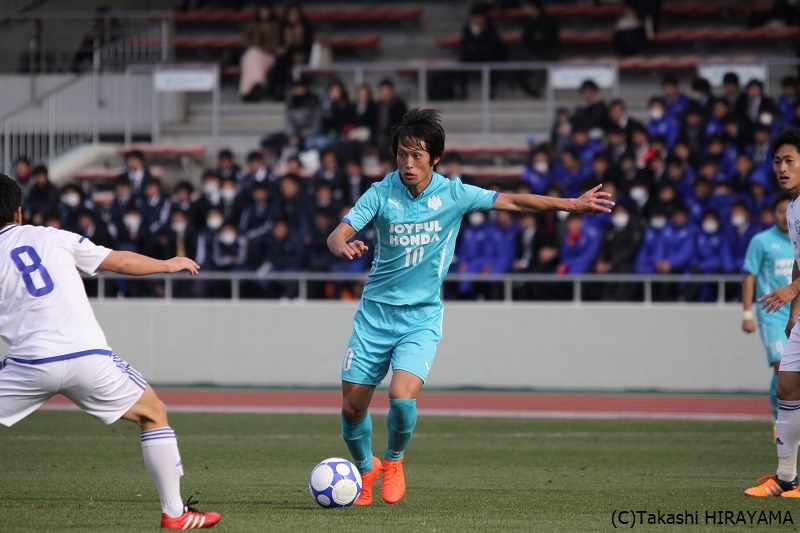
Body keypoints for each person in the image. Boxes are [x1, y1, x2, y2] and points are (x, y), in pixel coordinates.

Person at [326, 109, 613, 506]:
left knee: (401, 399)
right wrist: (342, 245)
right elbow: (337, 234)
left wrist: (573, 205)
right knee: (352, 408)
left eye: (417, 155)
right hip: (374, 315)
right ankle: (364, 469)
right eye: (402, 154)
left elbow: (513, 200)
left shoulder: (454, 194)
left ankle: (392, 461)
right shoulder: (380, 192)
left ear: (435, 158)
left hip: (420, 318)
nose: (408, 163)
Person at [0, 175, 220, 528]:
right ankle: (175, 514)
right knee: (153, 413)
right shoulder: (53, 237)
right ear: (19, 212)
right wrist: (166, 264)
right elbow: (118, 261)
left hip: (29, 362)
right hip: (87, 356)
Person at [746, 127, 800, 498]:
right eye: (777, 161)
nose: (782, 168)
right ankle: (786, 477)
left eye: (789, 161)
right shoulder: (793, 207)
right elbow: (799, 261)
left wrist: (791, 291)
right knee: (787, 385)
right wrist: (795, 312)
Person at [741, 193, 793, 436]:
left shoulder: (798, 240)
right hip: (771, 315)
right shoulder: (761, 241)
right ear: (773, 214)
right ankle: (778, 421)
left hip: (796, 314)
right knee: (781, 367)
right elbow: (749, 277)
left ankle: (791, 420)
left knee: (794, 374)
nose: (785, 216)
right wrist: (747, 313)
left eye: (788, 211)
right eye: (780, 211)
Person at [238, 2, 282, 102]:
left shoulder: (275, 26)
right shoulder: (252, 25)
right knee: (250, 56)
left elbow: (275, 44)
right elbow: (246, 41)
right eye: (262, 11)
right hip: (254, 53)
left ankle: (248, 90)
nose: (264, 13)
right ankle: (255, 86)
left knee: (252, 56)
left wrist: (263, 47)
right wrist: (257, 38)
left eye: (266, 11)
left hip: (269, 55)